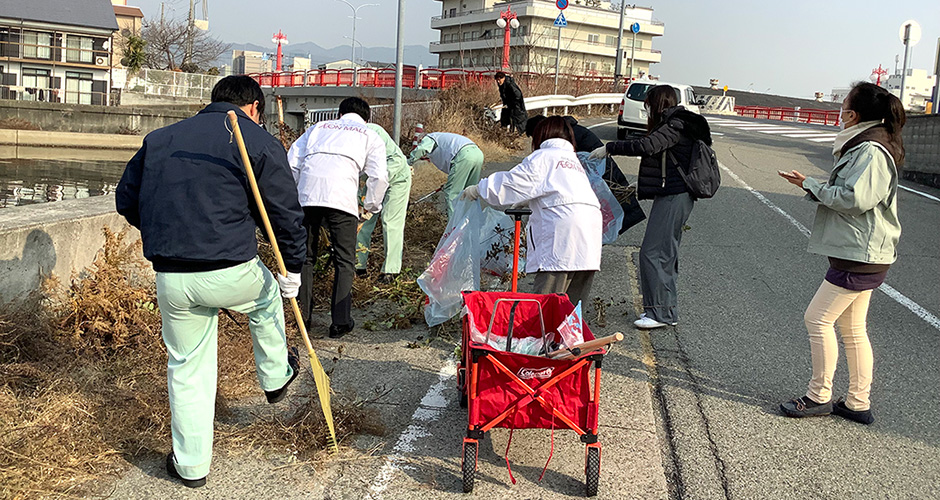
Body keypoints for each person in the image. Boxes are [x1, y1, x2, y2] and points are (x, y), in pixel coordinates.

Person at [115, 75, 306, 488]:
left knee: (187, 369)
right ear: (253, 107)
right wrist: (292, 269)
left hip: (172, 276)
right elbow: (285, 214)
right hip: (229, 268)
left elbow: (125, 200)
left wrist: (166, 230)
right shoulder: (253, 139)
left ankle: (191, 467)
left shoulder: (162, 138)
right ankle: (275, 377)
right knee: (267, 295)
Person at [777, 82, 904, 425]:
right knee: (852, 328)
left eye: (843, 106)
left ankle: (819, 396)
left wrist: (811, 185)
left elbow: (854, 199)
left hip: (860, 254)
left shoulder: (870, 150)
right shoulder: (869, 143)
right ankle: (857, 402)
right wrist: (811, 185)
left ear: (853, 114)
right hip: (865, 251)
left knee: (817, 319)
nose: (840, 113)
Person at [589, 84, 712, 329]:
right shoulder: (680, 123)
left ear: (658, 104)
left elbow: (647, 146)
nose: (647, 112)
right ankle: (665, 311)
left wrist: (609, 148)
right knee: (665, 253)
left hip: (675, 196)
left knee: (653, 253)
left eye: (648, 106)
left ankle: (659, 314)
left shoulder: (675, 125)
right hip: (674, 195)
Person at [461, 116, 602, 306]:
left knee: (548, 303)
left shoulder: (544, 156)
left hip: (562, 234)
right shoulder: (571, 160)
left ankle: (546, 335)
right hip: (590, 234)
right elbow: (556, 189)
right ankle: (571, 336)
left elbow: (513, 182)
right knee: (572, 308)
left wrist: (479, 189)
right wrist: (526, 199)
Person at [288, 97, 389, 338]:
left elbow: (292, 162)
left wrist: (296, 193)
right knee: (344, 260)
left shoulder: (317, 128)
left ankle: (303, 319)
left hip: (307, 197)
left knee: (306, 258)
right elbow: (379, 178)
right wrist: (370, 207)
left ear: (339, 114)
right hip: (342, 200)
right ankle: (340, 322)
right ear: (367, 118)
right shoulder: (369, 135)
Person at [356, 123, 413, 282]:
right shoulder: (344, 136)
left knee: (390, 221)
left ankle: (391, 271)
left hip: (397, 176)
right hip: (372, 178)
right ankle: (358, 265)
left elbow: (380, 173)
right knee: (362, 219)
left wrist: (369, 204)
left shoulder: (372, 132)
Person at [526, 114, 630, 187]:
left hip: (601, 176)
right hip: (601, 174)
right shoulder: (566, 130)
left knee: (614, 209)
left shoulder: (564, 136)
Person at [408, 131, 484, 220]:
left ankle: (453, 227)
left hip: (464, 155)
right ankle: (470, 222)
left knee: (451, 193)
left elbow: (421, 149)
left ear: (421, 139)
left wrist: (408, 162)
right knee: (470, 193)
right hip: (478, 154)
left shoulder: (429, 138)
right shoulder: (441, 138)